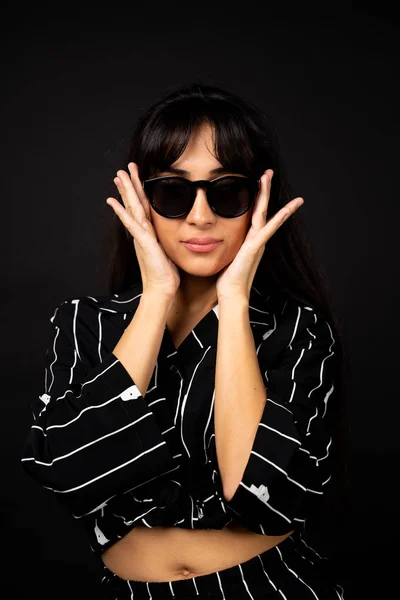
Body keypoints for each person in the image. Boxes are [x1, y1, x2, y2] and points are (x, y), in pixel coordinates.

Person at [21, 83, 349, 599]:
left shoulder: (298, 331)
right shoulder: (85, 324)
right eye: (173, 192)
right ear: (141, 199)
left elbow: (268, 500)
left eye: (227, 191)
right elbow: (72, 473)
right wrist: (157, 294)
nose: (200, 216)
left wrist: (235, 299)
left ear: (260, 201)